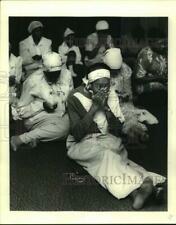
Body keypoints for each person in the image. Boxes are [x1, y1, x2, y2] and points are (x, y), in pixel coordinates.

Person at [66, 63, 166, 210]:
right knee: (107, 156)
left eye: (107, 86)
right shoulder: (74, 97)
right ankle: (142, 187)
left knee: (116, 156)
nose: (104, 90)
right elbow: (77, 134)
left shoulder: (110, 94)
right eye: (100, 86)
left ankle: (138, 192)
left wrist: (106, 108)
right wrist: (94, 107)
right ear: (88, 84)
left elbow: (117, 128)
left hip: (106, 139)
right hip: (81, 143)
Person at [10, 52, 73, 151]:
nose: (54, 77)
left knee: (75, 126)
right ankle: (20, 139)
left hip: (61, 115)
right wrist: (42, 105)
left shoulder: (67, 75)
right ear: (43, 69)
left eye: (57, 73)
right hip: (38, 117)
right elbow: (20, 111)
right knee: (64, 130)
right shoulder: (32, 81)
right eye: (50, 74)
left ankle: (38, 137)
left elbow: (70, 97)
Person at [103, 48, 158, 147]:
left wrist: (125, 95)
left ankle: (138, 133)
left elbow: (128, 92)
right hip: (105, 103)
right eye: (112, 70)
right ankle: (131, 135)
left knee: (129, 116)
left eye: (117, 70)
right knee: (106, 121)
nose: (115, 72)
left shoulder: (125, 69)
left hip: (122, 103)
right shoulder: (99, 71)